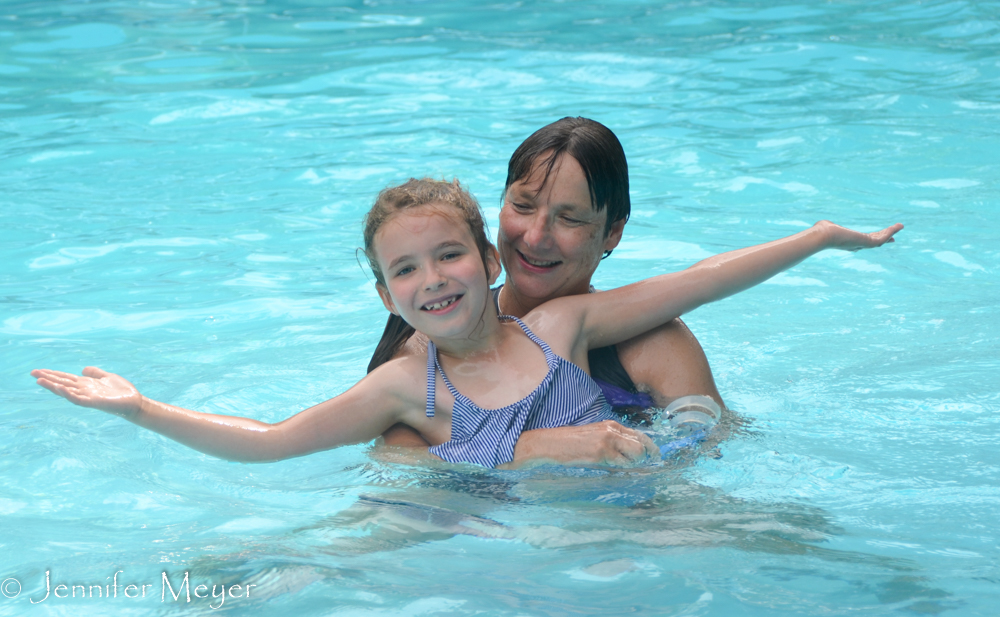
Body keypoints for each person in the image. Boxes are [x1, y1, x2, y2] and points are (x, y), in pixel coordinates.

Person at [31, 177, 902, 469]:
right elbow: (272, 440)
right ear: (387, 298)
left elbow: (697, 282)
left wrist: (820, 238)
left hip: (633, 516)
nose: (431, 278)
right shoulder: (406, 387)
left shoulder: (558, 326)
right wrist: (142, 409)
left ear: (488, 261)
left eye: (448, 255)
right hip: (510, 538)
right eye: (405, 269)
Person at [373, 118, 723, 466]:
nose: (536, 237)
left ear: (613, 232)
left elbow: (707, 457)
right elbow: (396, 468)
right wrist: (533, 449)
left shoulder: (656, 345)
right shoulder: (423, 348)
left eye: (569, 218)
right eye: (522, 206)